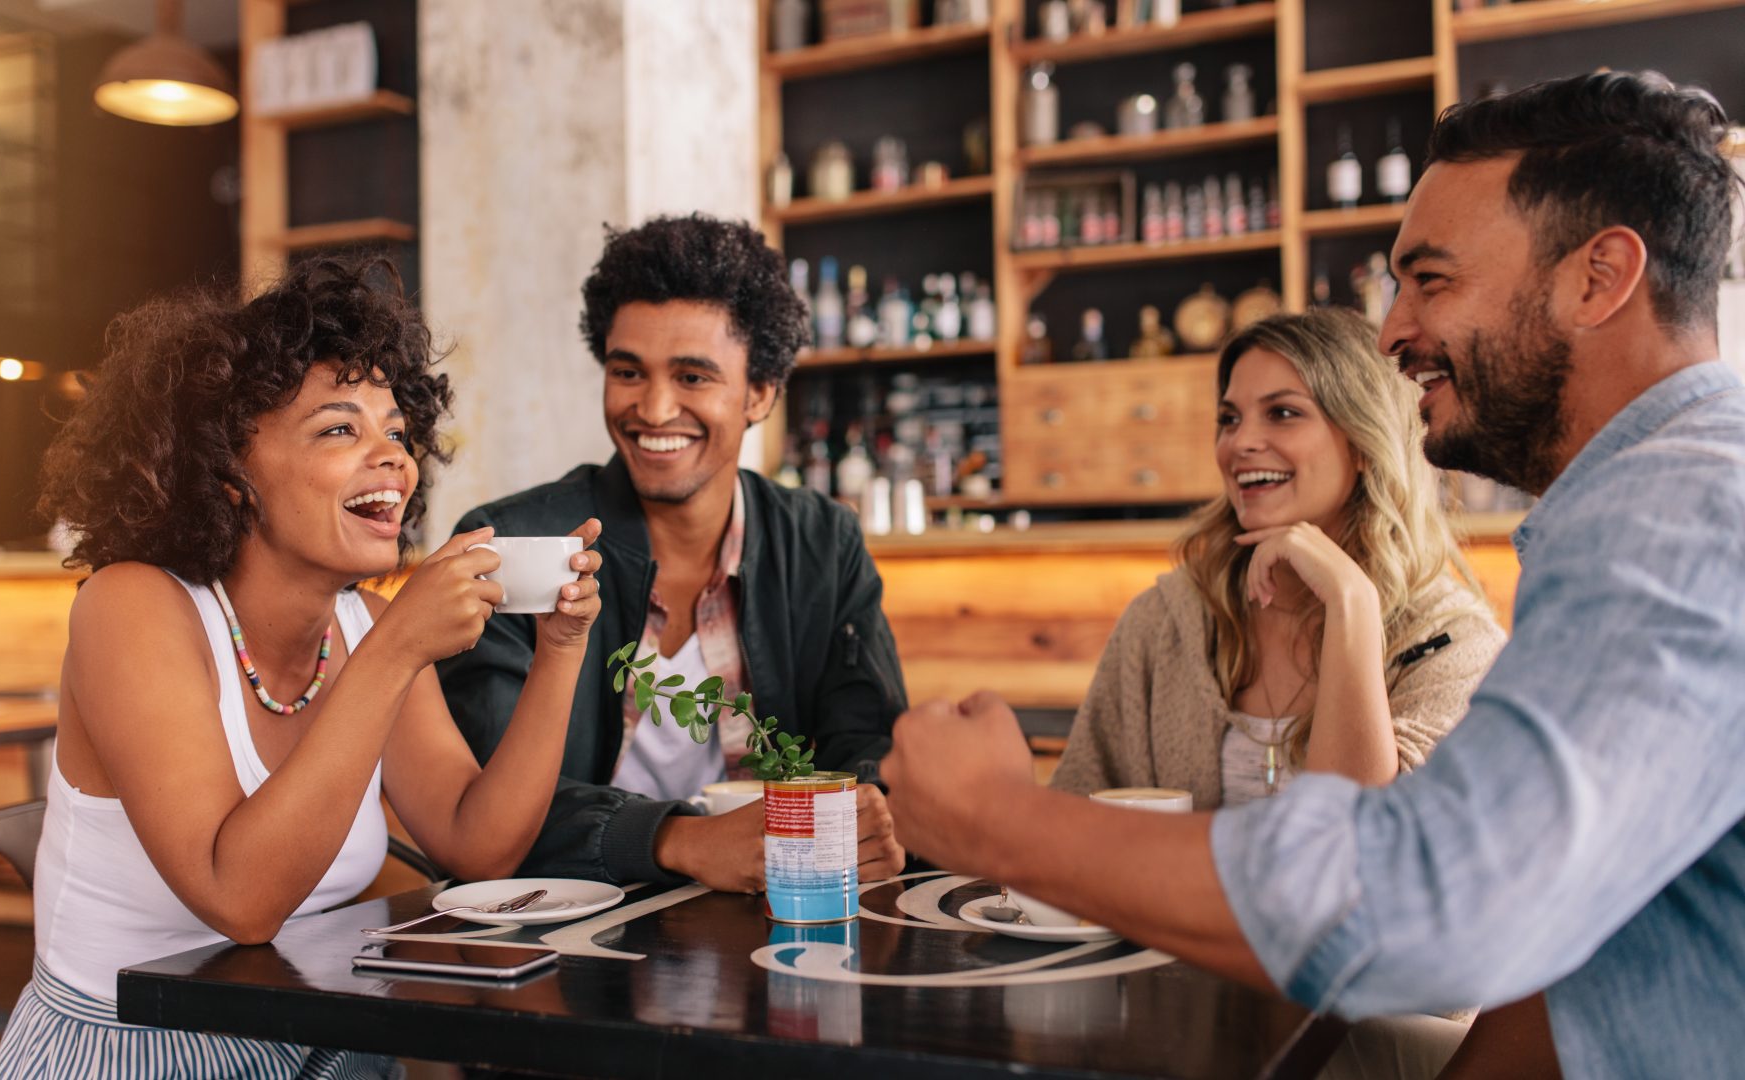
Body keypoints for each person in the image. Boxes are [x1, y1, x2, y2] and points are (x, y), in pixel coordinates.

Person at [883, 70, 1745, 1077]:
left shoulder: (1676, 515)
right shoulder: (1647, 506)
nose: (1391, 331)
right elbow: (1585, 954)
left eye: (1432, 278)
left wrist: (998, 821)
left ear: (1598, 278)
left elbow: (1422, 906)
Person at [0, 257, 602, 1078]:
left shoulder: (367, 623)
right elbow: (239, 899)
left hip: (322, 1037)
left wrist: (560, 651)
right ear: (229, 472)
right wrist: (395, 652)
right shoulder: (132, 608)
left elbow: (478, 842)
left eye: (396, 430)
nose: (391, 456)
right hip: (136, 1047)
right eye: (339, 428)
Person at [438, 213, 906, 893]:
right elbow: (483, 806)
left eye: (692, 377)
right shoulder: (514, 546)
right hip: (561, 934)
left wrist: (866, 826)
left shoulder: (822, 544)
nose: (653, 409)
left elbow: (869, 753)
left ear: (761, 393)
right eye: (628, 371)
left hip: (779, 921)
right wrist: (680, 841)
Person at [1051, 307, 1504, 810]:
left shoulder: (1455, 648)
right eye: (1229, 419)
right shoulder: (1164, 623)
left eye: (1282, 413)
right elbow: (1069, 822)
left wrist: (1350, 601)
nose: (1239, 443)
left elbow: (1360, 842)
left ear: (1362, 441)